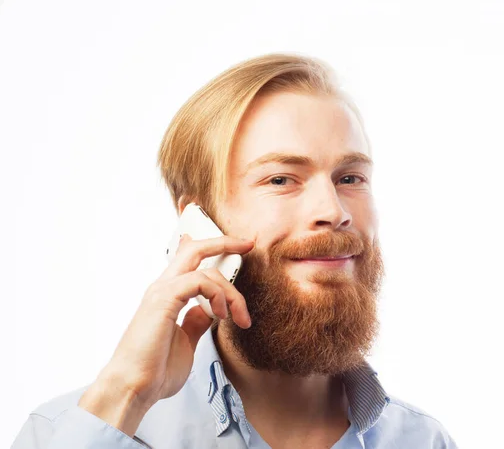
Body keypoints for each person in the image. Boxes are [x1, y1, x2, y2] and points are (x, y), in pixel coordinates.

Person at [12, 53, 457, 448]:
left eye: (350, 178)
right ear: (197, 222)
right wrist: (125, 393)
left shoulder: (423, 440)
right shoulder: (67, 434)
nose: (333, 210)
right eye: (280, 179)